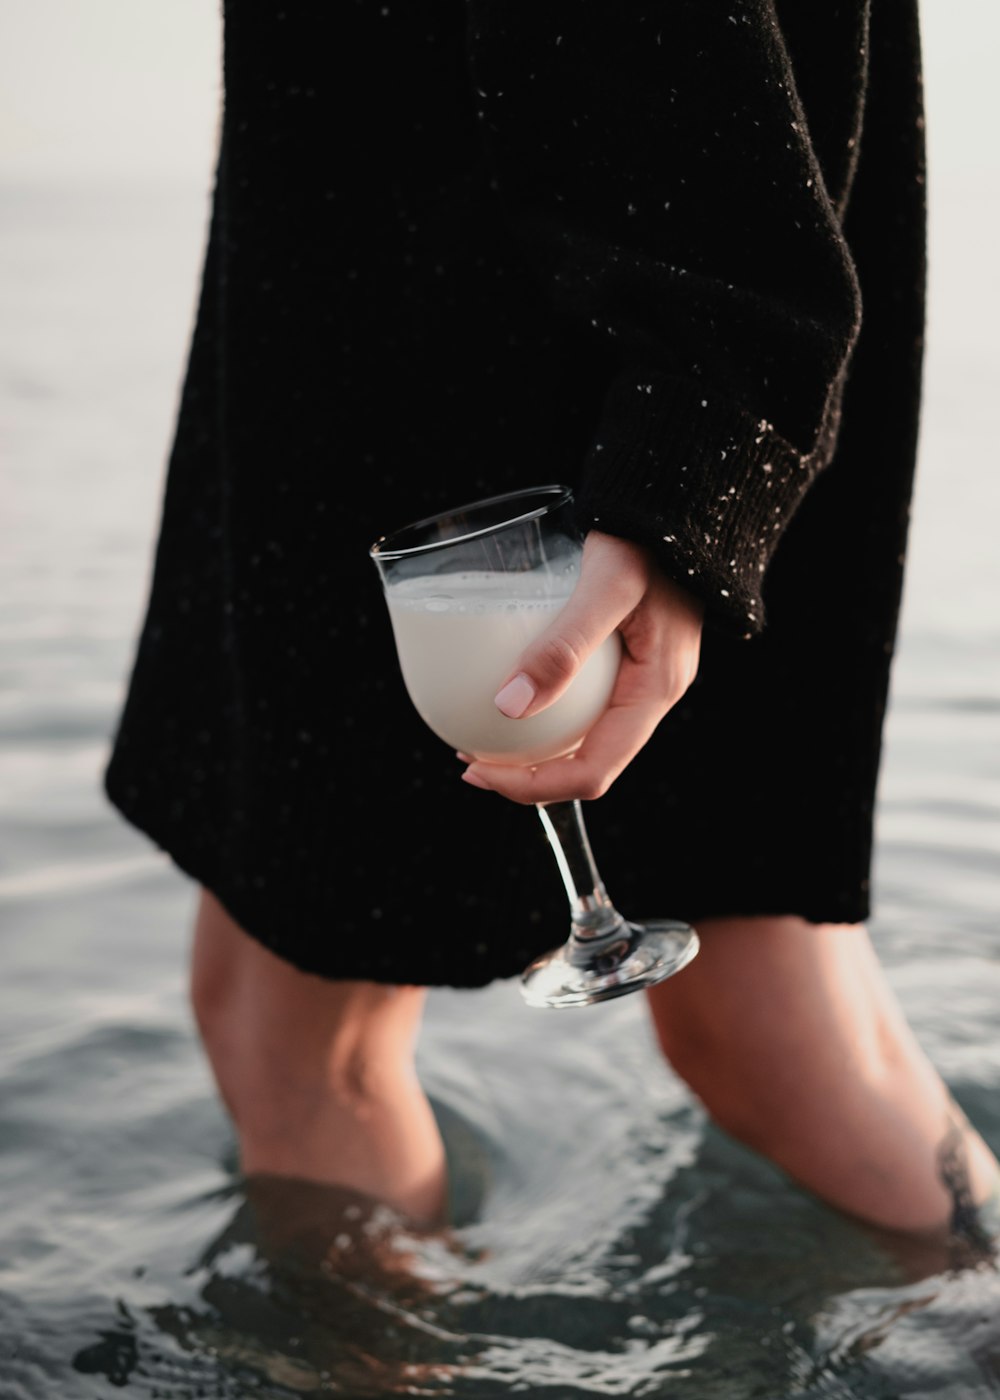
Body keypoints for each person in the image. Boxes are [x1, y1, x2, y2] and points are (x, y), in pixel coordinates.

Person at [105, 1, 999, 1238]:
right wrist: (718, 430)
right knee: (781, 1019)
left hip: (462, 253)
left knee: (300, 1035)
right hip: (741, 220)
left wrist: (691, 442)